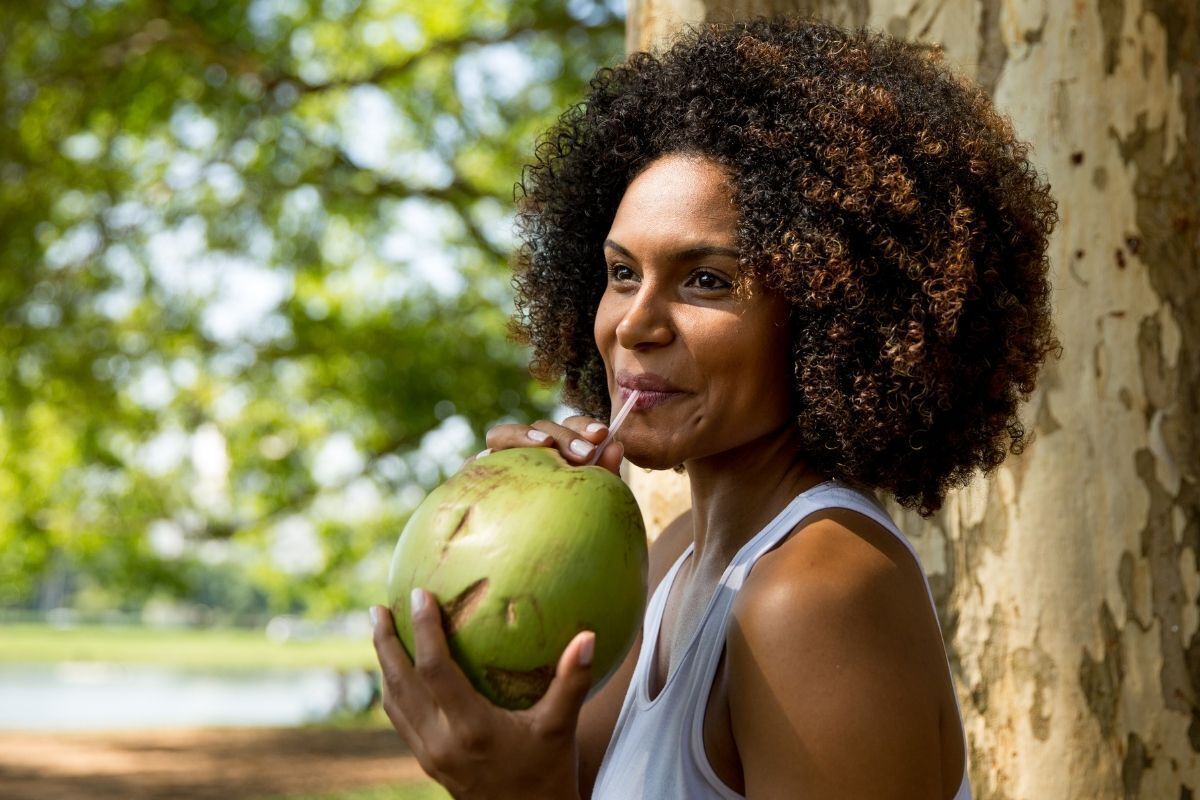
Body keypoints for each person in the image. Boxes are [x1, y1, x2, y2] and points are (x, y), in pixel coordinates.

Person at [369, 16, 1058, 799]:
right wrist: (520, 545)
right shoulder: (672, 559)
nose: (635, 322)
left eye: (707, 280)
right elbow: (555, 775)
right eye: (623, 273)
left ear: (832, 314)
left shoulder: (817, 594)